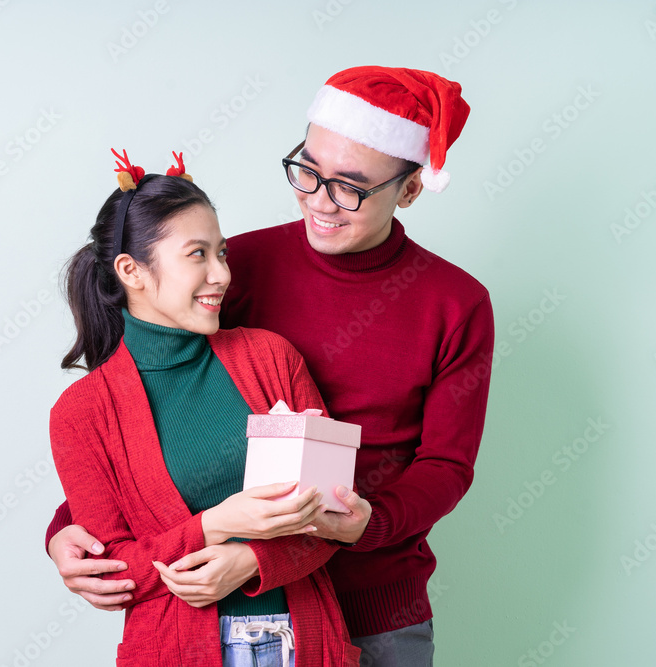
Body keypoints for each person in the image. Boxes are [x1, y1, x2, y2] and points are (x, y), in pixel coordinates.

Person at [47, 67, 495, 666]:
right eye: (307, 171)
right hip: (218, 610)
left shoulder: (456, 304)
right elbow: (147, 406)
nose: (319, 201)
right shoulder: (240, 267)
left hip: (373, 605)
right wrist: (68, 527)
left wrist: (363, 523)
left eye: (350, 188)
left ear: (409, 190)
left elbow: (446, 465)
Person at [48, 150, 363, 666]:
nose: (221, 275)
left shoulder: (270, 358)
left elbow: (332, 518)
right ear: (132, 270)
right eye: (198, 254)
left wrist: (252, 558)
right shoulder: (82, 412)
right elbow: (112, 572)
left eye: (223, 253)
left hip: (305, 642)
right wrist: (214, 525)